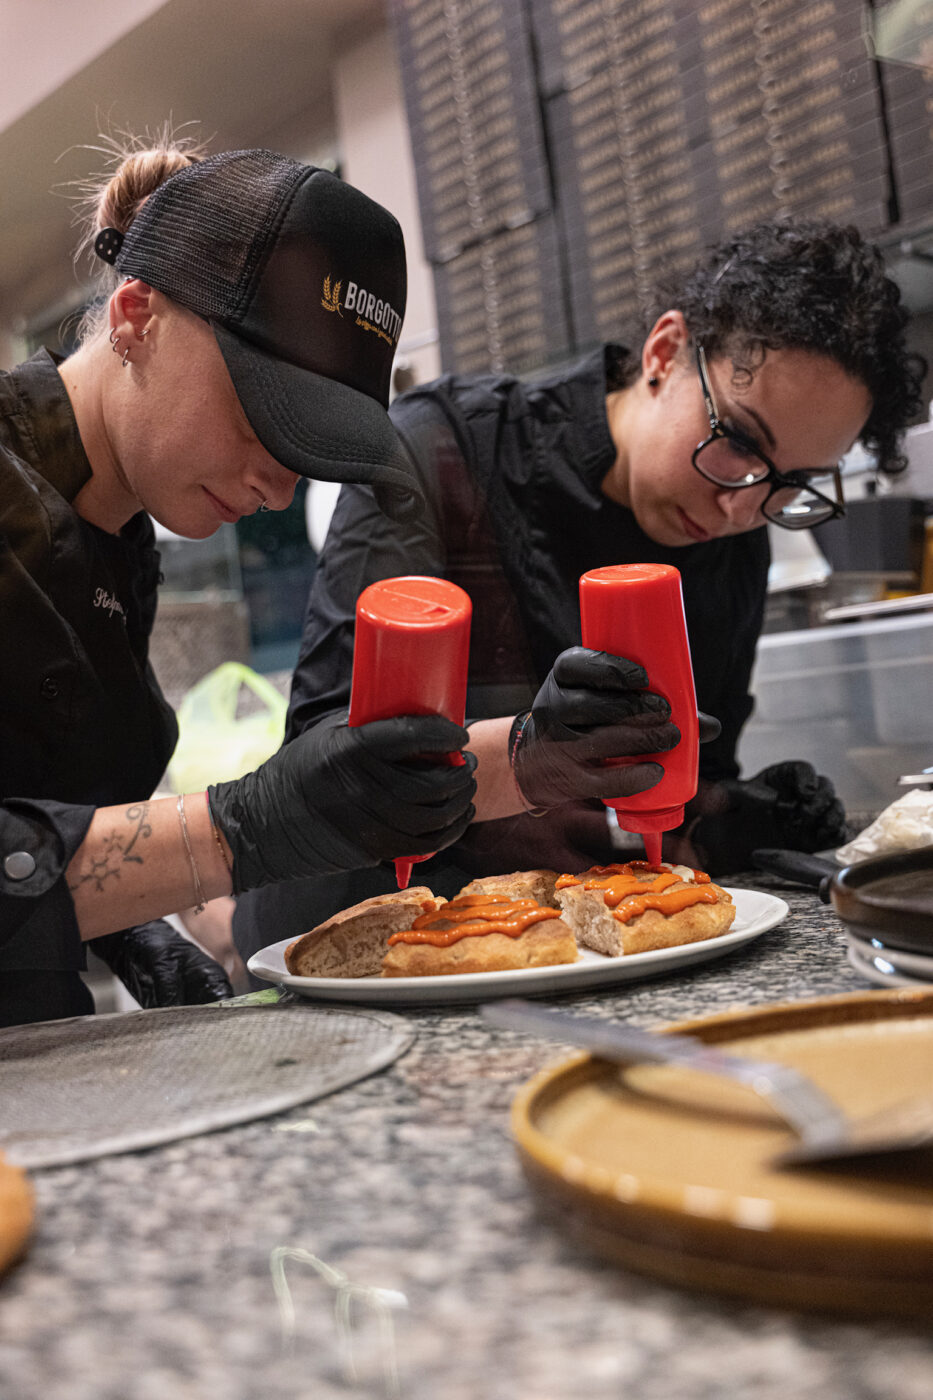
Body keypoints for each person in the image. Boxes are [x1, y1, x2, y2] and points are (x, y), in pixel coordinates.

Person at [1, 135, 685, 1028]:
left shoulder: (119, 538)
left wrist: (526, 757)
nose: (280, 486)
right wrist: (242, 829)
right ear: (136, 316)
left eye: (307, 452)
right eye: (261, 418)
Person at [232, 217, 925, 962]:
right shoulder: (446, 450)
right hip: (371, 938)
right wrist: (529, 747)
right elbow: (328, 754)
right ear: (664, 352)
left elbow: (669, 789)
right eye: (740, 443)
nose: (741, 506)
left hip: (578, 949)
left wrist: (726, 809)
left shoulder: (735, 531)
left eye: (790, 484)